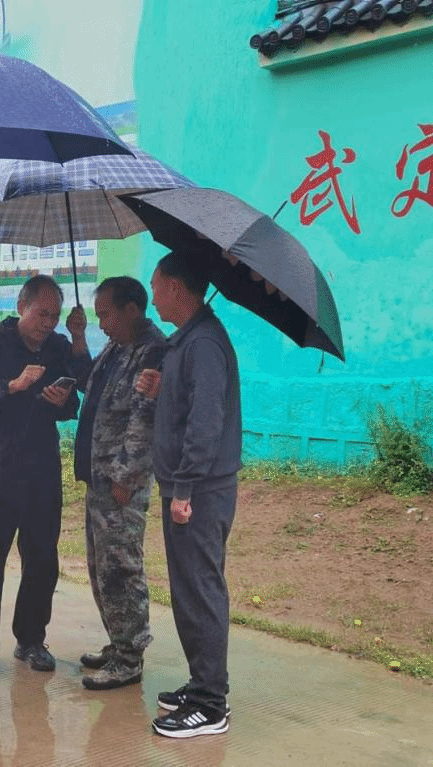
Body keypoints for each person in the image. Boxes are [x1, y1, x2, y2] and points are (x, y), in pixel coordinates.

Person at [0, 274, 90, 678]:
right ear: (21, 307)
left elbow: (76, 401)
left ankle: (31, 639)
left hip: (41, 470)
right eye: (41, 313)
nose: (47, 323)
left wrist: (62, 400)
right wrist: (12, 386)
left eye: (54, 315)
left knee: (42, 561)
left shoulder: (59, 347)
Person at [140, 250, 241, 739]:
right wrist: (163, 389)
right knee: (188, 589)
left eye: (156, 286)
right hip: (186, 486)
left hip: (199, 490)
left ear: (177, 288)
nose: (152, 296)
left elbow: (206, 422)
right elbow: (189, 405)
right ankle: (203, 683)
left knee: (201, 590)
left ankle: (210, 704)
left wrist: (184, 488)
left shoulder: (203, 343)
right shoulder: (188, 341)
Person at [73, 276, 166, 691]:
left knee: (122, 569)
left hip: (120, 481)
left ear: (131, 310)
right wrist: (78, 338)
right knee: (101, 567)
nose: (102, 323)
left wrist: (127, 477)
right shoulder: (117, 346)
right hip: (99, 476)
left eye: (106, 314)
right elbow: (89, 385)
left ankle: (129, 658)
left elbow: (145, 420)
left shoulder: (152, 350)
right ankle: (117, 642)